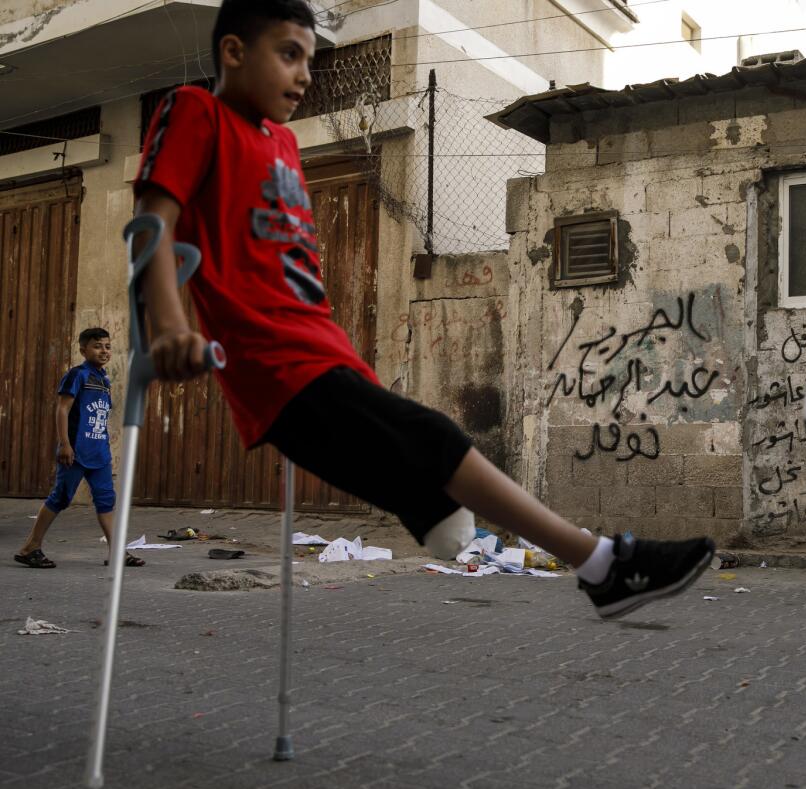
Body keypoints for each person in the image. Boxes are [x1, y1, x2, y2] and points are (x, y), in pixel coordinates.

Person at [132, 0, 714, 620]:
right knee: (429, 438)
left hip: (323, 347)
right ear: (233, 52)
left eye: (309, 58)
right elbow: (151, 228)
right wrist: (168, 325)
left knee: (394, 450)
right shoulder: (196, 113)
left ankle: (429, 509)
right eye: (288, 54)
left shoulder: (278, 140)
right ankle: (602, 565)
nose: (304, 75)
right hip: (273, 358)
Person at [13, 328, 144, 569]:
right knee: (60, 498)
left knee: (106, 500)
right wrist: (65, 444)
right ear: (83, 350)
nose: (103, 351)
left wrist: (106, 448)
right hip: (75, 451)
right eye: (97, 346)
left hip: (99, 453)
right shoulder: (78, 375)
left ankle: (118, 553)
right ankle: (30, 547)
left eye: (107, 346)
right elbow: (62, 409)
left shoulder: (104, 380)